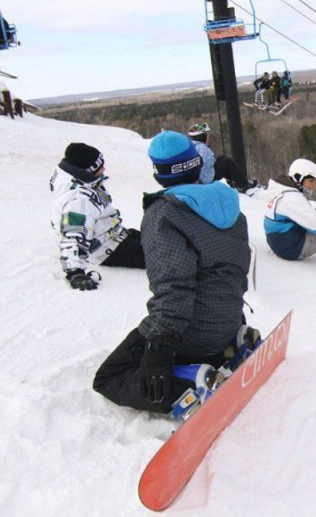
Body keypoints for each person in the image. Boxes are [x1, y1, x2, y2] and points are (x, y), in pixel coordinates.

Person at [93, 131, 256, 417]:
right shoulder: (228, 205)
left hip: (192, 333)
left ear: (159, 174)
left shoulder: (164, 214)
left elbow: (173, 287)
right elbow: (235, 268)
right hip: (228, 320)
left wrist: (159, 350)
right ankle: (232, 346)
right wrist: (232, 320)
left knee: (109, 376)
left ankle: (187, 384)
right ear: (196, 164)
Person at [50, 143, 145, 291]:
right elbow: (73, 234)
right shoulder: (79, 201)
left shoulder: (80, 182)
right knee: (163, 253)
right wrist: (75, 272)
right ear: (89, 169)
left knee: (159, 238)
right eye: (101, 166)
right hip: (110, 251)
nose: (104, 169)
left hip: (113, 236)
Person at [187, 122, 259, 193]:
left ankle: (234, 181)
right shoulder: (203, 149)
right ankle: (243, 185)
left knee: (222, 159)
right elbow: (209, 163)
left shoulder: (191, 147)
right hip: (204, 179)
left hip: (195, 179)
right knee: (227, 163)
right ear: (202, 137)